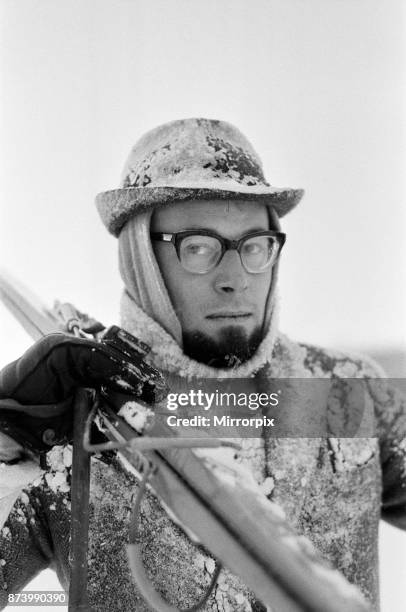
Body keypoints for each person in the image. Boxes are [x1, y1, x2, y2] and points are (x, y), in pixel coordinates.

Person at [0, 118, 405, 612]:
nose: (236, 277)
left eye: (254, 246)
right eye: (198, 248)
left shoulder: (349, 392)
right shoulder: (74, 428)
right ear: (140, 260)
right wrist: (5, 439)